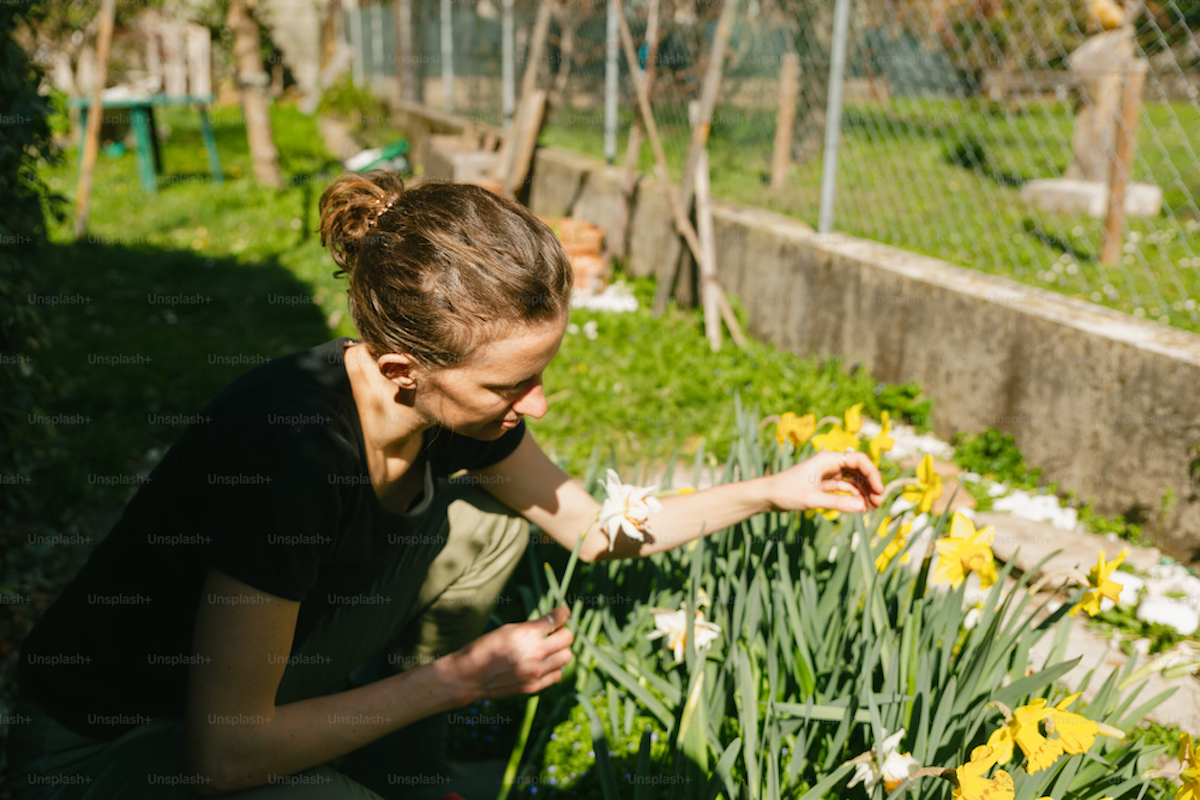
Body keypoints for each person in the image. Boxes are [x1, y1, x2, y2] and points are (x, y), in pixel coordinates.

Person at [7, 171, 884, 799]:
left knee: (492, 525)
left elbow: (591, 527)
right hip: (105, 751)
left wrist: (776, 489)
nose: (538, 402)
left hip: (234, 712)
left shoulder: (445, 411)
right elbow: (222, 759)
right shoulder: (289, 456)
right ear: (400, 368)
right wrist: (462, 678)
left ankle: (388, 763)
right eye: (510, 385)